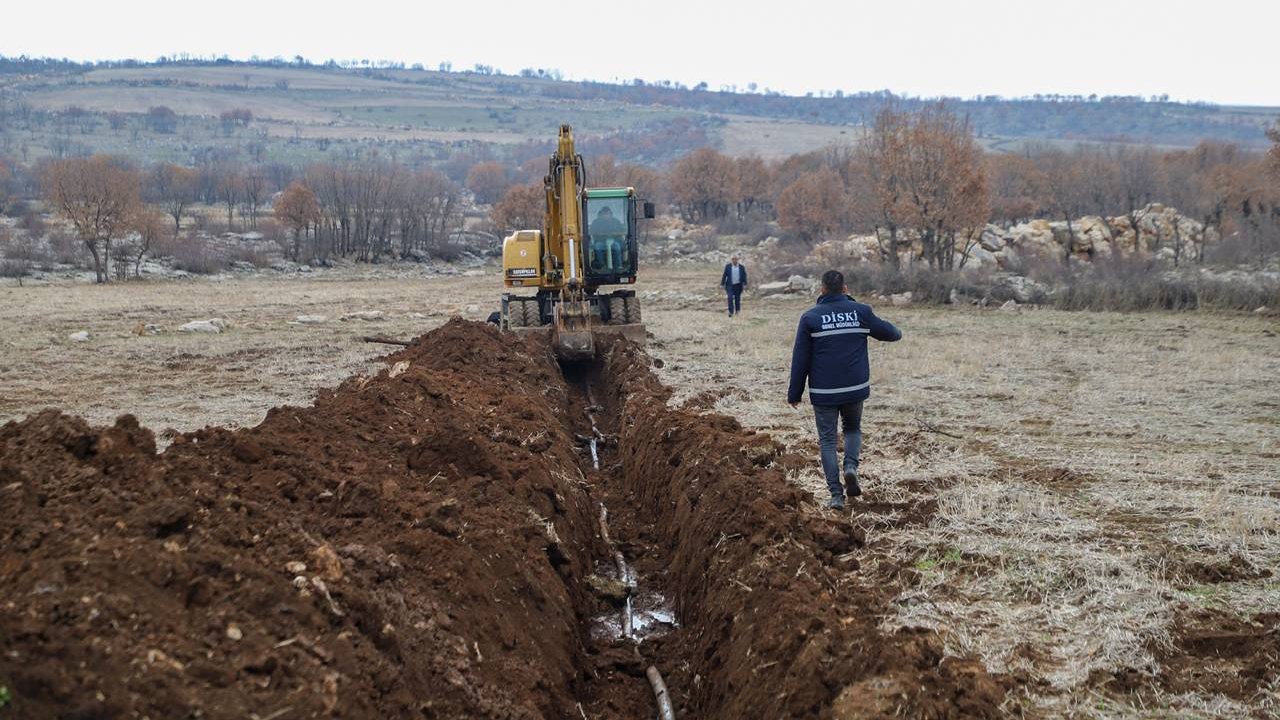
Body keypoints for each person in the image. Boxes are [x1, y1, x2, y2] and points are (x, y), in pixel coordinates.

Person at [787, 270, 901, 509]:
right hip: (855, 388)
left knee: (827, 441)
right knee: (852, 429)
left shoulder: (810, 318)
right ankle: (850, 467)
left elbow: (801, 359)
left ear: (822, 290)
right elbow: (891, 334)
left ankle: (836, 495)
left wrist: (795, 393)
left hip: (824, 392)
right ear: (846, 289)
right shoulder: (861, 312)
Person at [589, 206, 626, 272]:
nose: (606, 215)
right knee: (598, 247)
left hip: (614, 241)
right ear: (601, 214)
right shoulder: (596, 222)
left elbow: (622, 231)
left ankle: (619, 265)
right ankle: (602, 265)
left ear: (610, 214)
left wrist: (615, 234)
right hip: (601, 241)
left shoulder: (616, 222)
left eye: (607, 213)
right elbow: (592, 231)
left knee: (617, 247)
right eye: (604, 214)